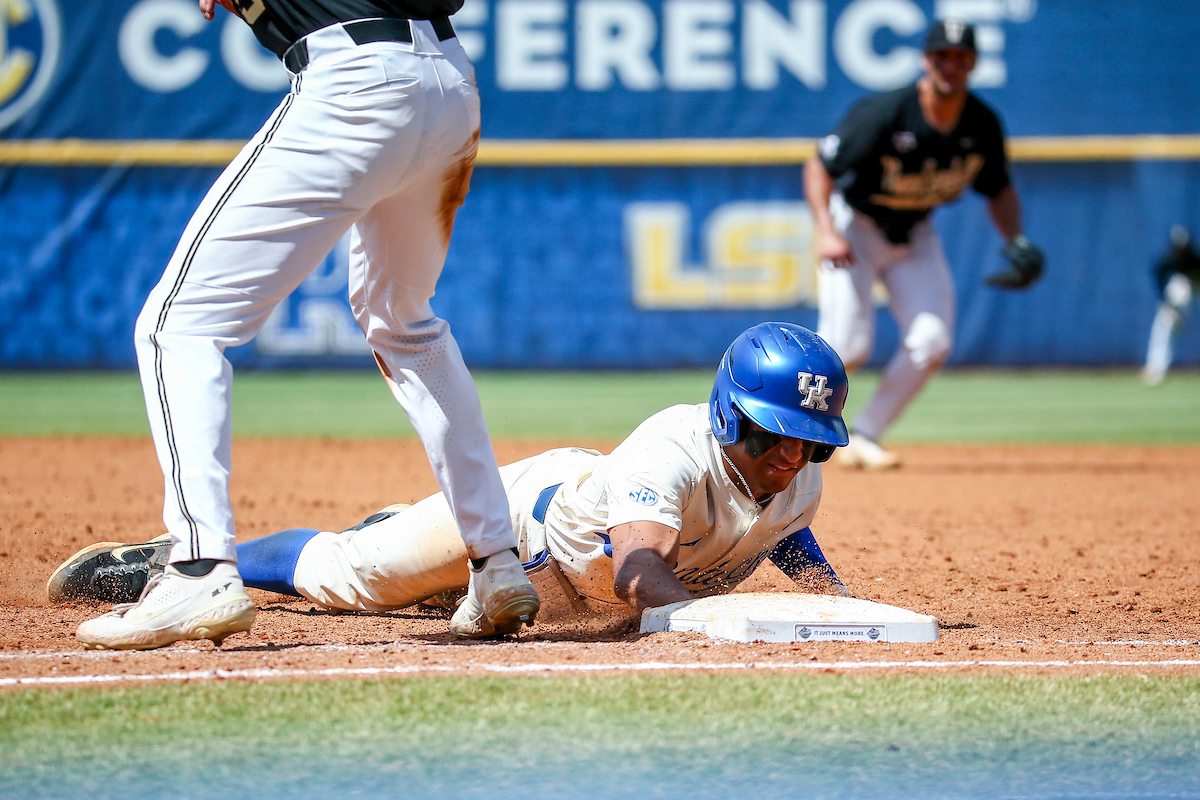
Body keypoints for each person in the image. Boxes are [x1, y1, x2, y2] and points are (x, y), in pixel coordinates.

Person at [73, 0, 539, 650]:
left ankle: (199, 566)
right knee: (405, 323)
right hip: (448, 84)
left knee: (177, 324)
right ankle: (497, 564)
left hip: (356, 79)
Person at [51, 323, 853, 633]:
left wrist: (833, 601)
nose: (791, 456)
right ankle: (179, 559)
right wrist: (710, 628)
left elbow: (784, 529)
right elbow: (639, 566)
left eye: (811, 443)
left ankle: (405, 536)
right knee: (349, 579)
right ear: (726, 415)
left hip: (565, 585)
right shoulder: (669, 451)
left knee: (425, 592)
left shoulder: (797, 477)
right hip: (518, 528)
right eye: (774, 433)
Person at [804, 18, 1044, 470]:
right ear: (925, 59)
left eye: (961, 57)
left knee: (932, 341)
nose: (950, 65)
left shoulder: (982, 122)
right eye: (942, 56)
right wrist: (825, 228)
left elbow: (998, 187)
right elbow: (819, 166)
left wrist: (1015, 238)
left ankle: (866, 434)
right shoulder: (885, 113)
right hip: (857, 226)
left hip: (914, 234)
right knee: (847, 347)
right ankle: (780, 431)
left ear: (973, 64)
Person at [1142, 225, 1200, 385]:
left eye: (1184, 248)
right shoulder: (1167, 262)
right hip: (1175, 301)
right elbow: (1159, 280)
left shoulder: (1195, 260)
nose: (1181, 252)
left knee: (1182, 288)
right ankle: (1156, 368)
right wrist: (1165, 302)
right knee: (1164, 325)